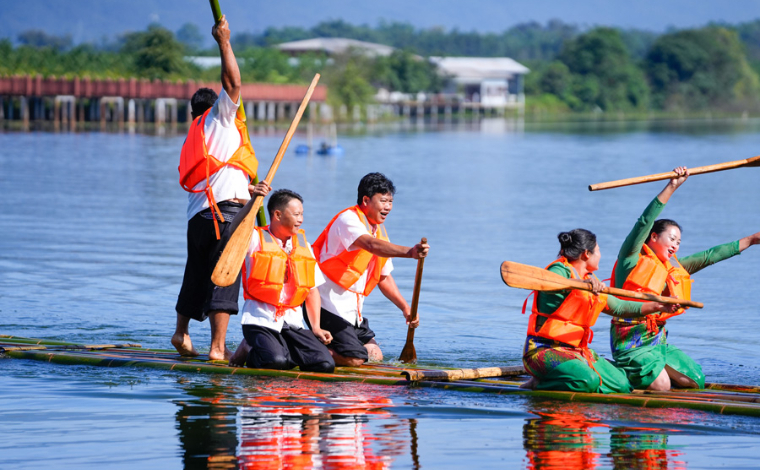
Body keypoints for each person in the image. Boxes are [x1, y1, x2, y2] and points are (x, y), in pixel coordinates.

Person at [610, 167, 760, 391]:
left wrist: (751, 240)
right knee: (661, 386)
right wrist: (672, 186)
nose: (675, 245)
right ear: (653, 237)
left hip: (656, 342)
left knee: (695, 380)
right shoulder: (629, 259)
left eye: (678, 242)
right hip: (630, 343)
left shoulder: (672, 268)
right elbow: (643, 222)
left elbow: (709, 256)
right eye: (671, 239)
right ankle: (617, 371)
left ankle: (651, 374)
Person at [174, 15, 262, 361]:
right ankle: (217, 347)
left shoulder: (194, 135)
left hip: (197, 219)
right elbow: (234, 82)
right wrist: (224, 41)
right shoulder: (220, 118)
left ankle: (181, 333)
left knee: (195, 274)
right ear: (215, 108)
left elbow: (220, 174)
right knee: (223, 279)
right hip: (224, 216)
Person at [522, 229, 678, 393]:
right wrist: (580, 284)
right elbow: (552, 282)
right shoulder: (559, 269)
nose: (600, 255)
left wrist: (658, 306)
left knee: (623, 385)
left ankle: (573, 378)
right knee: (588, 381)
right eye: (598, 251)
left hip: (577, 351)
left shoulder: (591, 279)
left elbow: (620, 307)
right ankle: (538, 383)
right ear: (587, 254)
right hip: (543, 351)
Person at [311, 172, 429, 367]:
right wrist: (410, 252)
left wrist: (405, 308)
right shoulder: (348, 219)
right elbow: (370, 245)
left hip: (353, 312)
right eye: (383, 201)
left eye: (390, 201)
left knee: (375, 355)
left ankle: (339, 350)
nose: (388, 207)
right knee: (355, 359)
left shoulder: (378, 231)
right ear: (366, 200)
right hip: (327, 306)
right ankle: (304, 348)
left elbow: (384, 277)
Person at [228, 189, 335, 373]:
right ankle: (249, 347)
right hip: (260, 319)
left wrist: (316, 327)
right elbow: (234, 231)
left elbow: (312, 290)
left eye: (302, 214)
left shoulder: (303, 246)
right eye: (296, 214)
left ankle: (281, 351)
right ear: (277, 215)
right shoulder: (255, 238)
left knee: (325, 364)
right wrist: (254, 200)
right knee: (276, 362)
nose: (300, 219)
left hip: (292, 322)